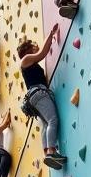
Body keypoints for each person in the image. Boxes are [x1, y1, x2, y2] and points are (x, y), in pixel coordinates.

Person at [19, 24, 66, 167]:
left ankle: (47, 153)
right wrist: (51, 34)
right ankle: (52, 151)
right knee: (53, 119)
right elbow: (43, 52)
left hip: (34, 97)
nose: (35, 47)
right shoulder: (25, 60)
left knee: (46, 124)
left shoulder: (30, 65)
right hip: (38, 93)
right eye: (33, 46)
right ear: (26, 50)